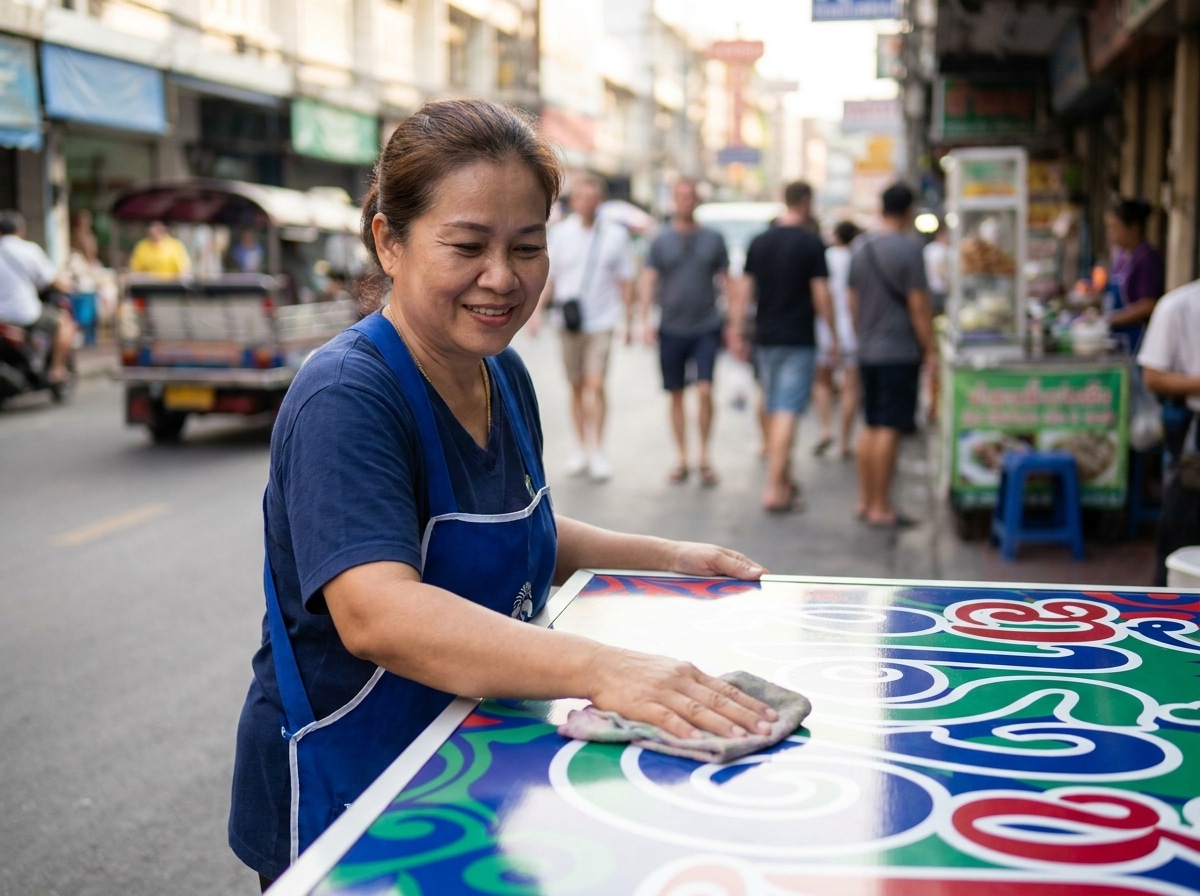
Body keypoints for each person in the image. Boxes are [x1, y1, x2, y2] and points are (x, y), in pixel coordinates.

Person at [227, 98, 777, 891]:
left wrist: (675, 557)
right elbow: (377, 612)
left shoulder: (501, 373)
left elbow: (524, 529)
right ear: (389, 240)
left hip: (470, 760)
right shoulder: (347, 395)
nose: (502, 278)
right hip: (354, 788)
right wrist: (607, 669)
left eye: (527, 247)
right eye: (467, 246)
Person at [728, 181, 836, 513]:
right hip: (798, 338)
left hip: (766, 337)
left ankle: (785, 479)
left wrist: (735, 330)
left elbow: (743, 292)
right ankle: (775, 488)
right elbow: (821, 294)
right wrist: (834, 335)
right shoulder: (811, 242)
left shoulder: (760, 241)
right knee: (787, 410)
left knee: (774, 405)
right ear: (806, 202)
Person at [532, 172, 635, 481]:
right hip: (568, 321)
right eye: (582, 197)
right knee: (576, 386)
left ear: (599, 201)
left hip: (602, 321)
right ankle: (581, 447)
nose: (587, 203)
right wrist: (536, 312)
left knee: (596, 383)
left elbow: (626, 281)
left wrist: (629, 321)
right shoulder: (560, 234)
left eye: (593, 198)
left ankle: (597, 449)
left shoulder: (616, 235)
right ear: (574, 201)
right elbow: (549, 278)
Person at [848, 182, 934, 528]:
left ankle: (866, 500)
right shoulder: (909, 250)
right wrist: (930, 349)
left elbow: (852, 301)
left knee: (871, 425)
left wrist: (861, 335)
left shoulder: (861, 247)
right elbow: (919, 306)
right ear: (909, 210)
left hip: (868, 349)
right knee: (889, 427)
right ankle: (882, 506)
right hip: (898, 351)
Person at [638, 178, 730, 486]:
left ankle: (704, 456)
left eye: (690, 197)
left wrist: (734, 322)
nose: (685, 202)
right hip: (671, 327)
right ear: (673, 201)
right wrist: (644, 321)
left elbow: (728, 280)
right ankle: (682, 457)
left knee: (704, 390)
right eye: (680, 197)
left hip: (707, 325)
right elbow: (649, 280)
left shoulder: (713, 238)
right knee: (676, 394)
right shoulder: (660, 240)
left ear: (697, 201)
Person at [1137, 277, 1200, 585]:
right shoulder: (1179, 305)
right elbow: (1153, 376)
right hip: (1192, 428)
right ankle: (1169, 605)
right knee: (1183, 527)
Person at [0, 210, 76, 383]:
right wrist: (68, 285)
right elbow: (54, 280)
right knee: (64, 322)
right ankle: (57, 369)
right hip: (23, 313)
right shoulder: (29, 250)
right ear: (20, 230)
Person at [812, 220, 862, 462]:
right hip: (850, 327)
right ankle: (844, 441)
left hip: (824, 325)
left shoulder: (825, 257)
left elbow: (819, 293)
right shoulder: (857, 258)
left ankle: (825, 427)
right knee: (850, 386)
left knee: (822, 379)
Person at [1101, 197, 1164, 355]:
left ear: (1134, 228)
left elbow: (1148, 304)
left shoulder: (1147, 259)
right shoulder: (1122, 255)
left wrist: (1109, 320)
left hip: (1138, 339)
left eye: (1115, 227)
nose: (1110, 233)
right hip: (1119, 338)